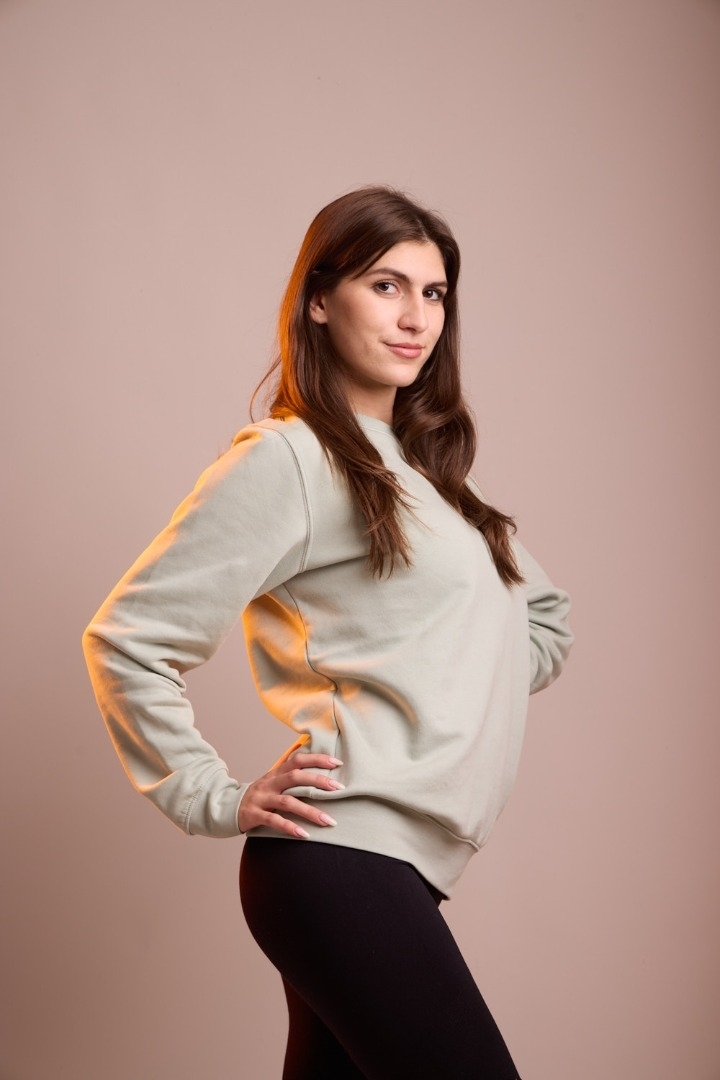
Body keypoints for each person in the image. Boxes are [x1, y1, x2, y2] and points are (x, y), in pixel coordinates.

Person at [83, 185, 573, 1079]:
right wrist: (210, 793)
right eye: (386, 286)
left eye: (433, 293)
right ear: (319, 299)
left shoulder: (434, 482)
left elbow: (540, 621)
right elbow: (129, 637)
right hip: (340, 856)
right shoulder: (292, 458)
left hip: (396, 868)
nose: (416, 317)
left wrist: (450, 672)